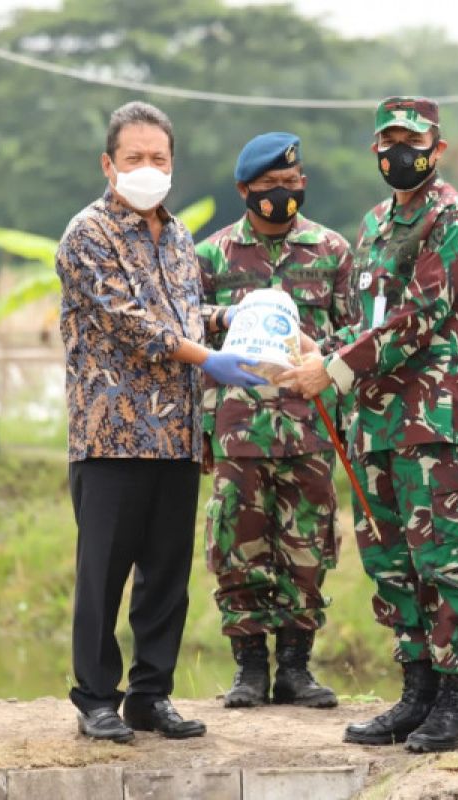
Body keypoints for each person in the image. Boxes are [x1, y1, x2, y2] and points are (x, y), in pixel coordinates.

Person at [280, 96, 458, 753]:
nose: (397, 152)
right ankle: (416, 691)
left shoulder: (452, 217)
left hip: (431, 418)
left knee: (444, 559)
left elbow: (420, 316)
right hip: (373, 421)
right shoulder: (373, 223)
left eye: (410, 140)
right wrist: (324, 350)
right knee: (390, 560)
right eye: (387, 141)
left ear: (437, 146)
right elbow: (367, 314)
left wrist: (336, 368)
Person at [56, 101, 265, 744]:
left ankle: (151, 695)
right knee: (104, 577)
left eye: (158, 158)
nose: (147, 169)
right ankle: (96, 698)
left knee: (166, 577)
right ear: (108, 164)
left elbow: (187, 313)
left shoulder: (177, 237)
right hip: (111, 436)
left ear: (172, 163)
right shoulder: (87, 235)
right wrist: (212, 359)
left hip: (175, 437)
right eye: (134, 158)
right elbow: (132, 324)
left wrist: (247, 317)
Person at [195, 132, 356, 710]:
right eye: (269, 187)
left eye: (291, 184)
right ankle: (248, 670)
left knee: (307, 546)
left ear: (303, 185)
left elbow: (355, 334)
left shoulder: (333, 251)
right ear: (245, 191)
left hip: (311, 429)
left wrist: (320, 348)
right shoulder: (212, 254)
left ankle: (295, 667)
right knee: (237, 545)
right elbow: (188, 325)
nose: (282, 195)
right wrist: (229, 317)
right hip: (238, 429)